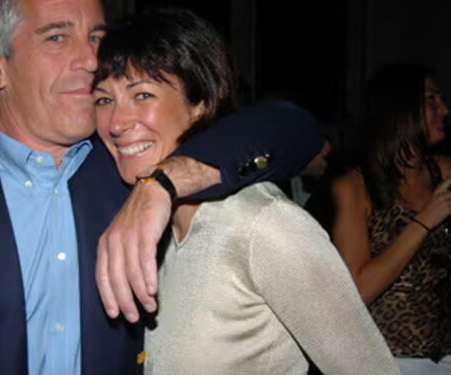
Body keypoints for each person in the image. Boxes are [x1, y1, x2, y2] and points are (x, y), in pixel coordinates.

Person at [0, 0, 322, 374]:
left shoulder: (134, 163)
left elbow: (294, 127)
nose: (91, 60)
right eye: (57, 37)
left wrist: (162, 183)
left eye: (97, 36)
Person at [90, 9, 399, 374]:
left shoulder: (261, 224)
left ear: (200, 103)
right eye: (104, 100)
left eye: (142, 95)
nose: (117, 123)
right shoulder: (150, 226)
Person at [331, 64, 451, 373]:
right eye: (432, 101)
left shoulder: (445, 172)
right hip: (388, 360)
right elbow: (357, 291)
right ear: (401, 110)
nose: (445, 109)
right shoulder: (356, 188)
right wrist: (424, 221)